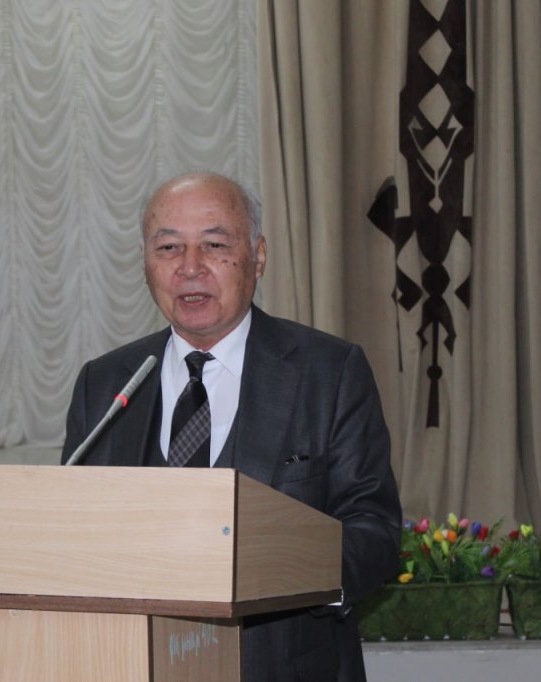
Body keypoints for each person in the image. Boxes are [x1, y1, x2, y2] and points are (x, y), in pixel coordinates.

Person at [61, 172, 401, 682]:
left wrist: (276, 570)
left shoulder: (328, 372)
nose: (189, 266)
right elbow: (71, 529)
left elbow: (372, 529)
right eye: (168, 247)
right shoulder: (105, 384)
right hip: (129, 663)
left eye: (215, 245)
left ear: (258, 257)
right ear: (145, 263)